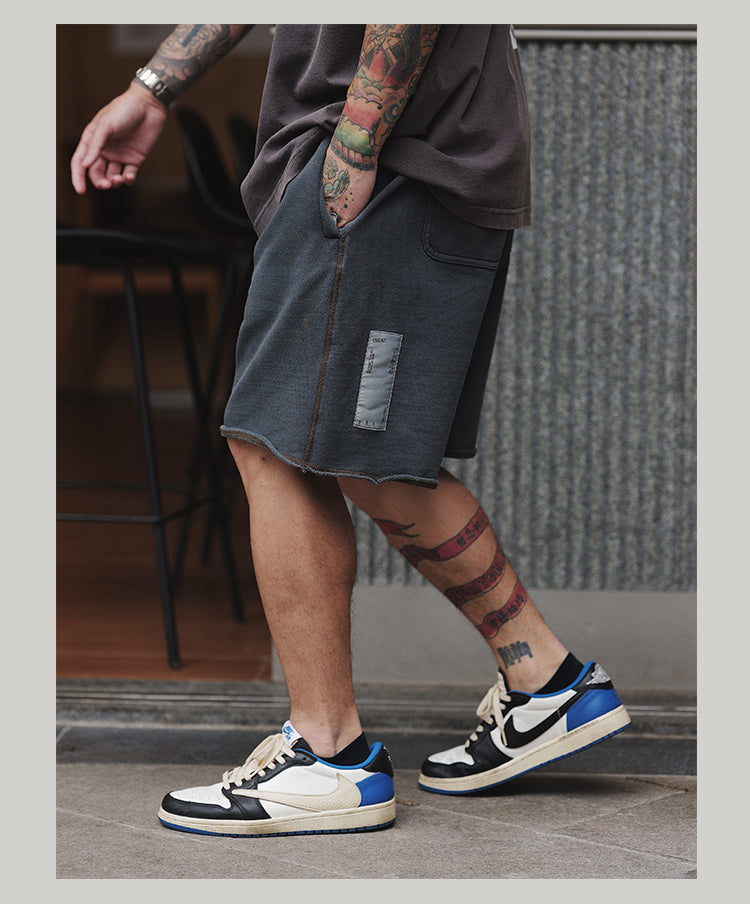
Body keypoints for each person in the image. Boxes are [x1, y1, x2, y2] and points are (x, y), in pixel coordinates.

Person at [70, 24, 631, 838]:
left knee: (275, 443)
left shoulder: (368, 150)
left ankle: (327, 754)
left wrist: (358, 142)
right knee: (359, 450)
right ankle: (546, 683)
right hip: (402, 153)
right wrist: (155, 85)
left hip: (389, 155)